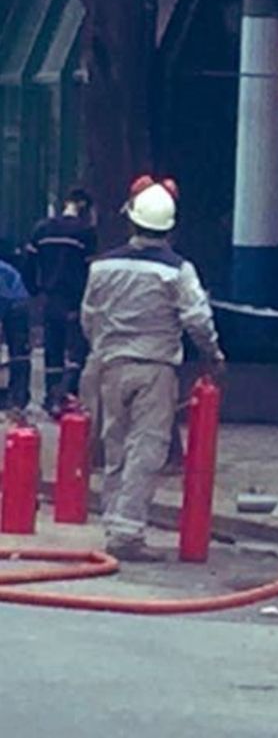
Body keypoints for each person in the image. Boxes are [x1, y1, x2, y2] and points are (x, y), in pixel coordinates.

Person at [81, 177, 224, 562]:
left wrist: (103, 347)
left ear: (132, 220)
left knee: (116, 445)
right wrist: (213, 354)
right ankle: (127, 534)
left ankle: (114, 522)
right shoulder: (178, 271)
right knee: (147, 448)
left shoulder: (102, 267)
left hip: (111, 364)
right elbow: (197, 319)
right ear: (171, 227)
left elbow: (89, 317)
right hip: (155, 367)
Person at [26, 188, 97, 416]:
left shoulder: (42, 229)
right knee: (77, 350)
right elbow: (90, 270)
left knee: (53, 347)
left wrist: (35, 290)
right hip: (74, 299)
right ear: (85, 207)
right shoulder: (85, 233)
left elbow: (29, 265)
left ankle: (51, 395)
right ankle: (68, 395)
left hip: (49, 297)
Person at [0, 246, 30, 417]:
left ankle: (19, 397)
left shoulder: (2, 272)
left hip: (16, 304)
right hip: (9, 301)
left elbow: (3, 297)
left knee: (18, 352)